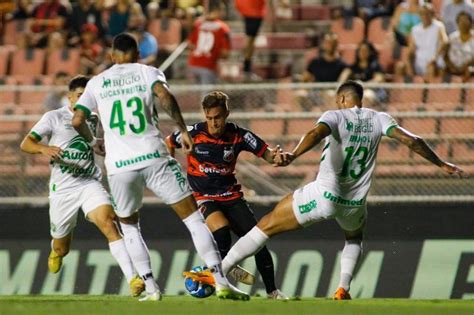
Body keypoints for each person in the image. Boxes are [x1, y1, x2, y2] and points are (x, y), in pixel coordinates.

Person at [189, 80, 464, 300]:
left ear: (342, 99)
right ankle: (343, 287)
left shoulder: (335, 115)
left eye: (338, 99)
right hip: (355, 204)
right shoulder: (380, 119)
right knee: (354, 238)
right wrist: (442, 163)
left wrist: (294, 154)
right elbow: (412, 140)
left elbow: (314, 134)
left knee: (265, 226)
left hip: (325, 195)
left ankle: (217, 274)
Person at [71, 33, 249, 302]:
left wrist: (93, 140)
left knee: (129, 226)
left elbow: (76, 120)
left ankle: (152, 289)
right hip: (153, 156)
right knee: (192, 219)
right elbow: (164, 96)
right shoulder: (147, 72)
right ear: (138, 53)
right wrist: (182, 129)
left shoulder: (96, 83)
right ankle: (221, 282)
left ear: (111, 56)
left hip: (119, 166)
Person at [19, 75, 146, 298]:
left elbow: (93, 142)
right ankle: (56, 250)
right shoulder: (54, 117)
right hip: (63, 190)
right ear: (69, 97)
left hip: (89, 183)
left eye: (88, 97)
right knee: (62, 248)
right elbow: (26, 143)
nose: (84, 100)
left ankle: (133, 278)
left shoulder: (93, 118)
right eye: (80, 96)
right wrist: (43, 149)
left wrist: (99, 146)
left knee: (108, 222)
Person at [165, 91, 287, 300]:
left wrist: (276, 157)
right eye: (210, 118)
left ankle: (272, 292)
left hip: (231, 196)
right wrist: (171, 164)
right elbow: (169, 140)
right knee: (221, 233)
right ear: (204, 115)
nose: (214, 123)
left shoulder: (239, 135)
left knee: (258, 242)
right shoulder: (193, 133)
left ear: (227, 114)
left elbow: (267, 154)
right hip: (202, 195)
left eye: (218, 118)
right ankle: (224, 274)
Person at [187, 4, 231, 85]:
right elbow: (225, 54)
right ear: (218, 11)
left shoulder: (198, 23)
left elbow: (190, 45)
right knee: (207, 96)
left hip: (193, 64)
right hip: (208, 65)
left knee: (196, 94)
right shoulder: (223, 27)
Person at [407, 3, 448, 77]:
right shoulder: (415, 29)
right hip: (419, 62)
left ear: (432, 14)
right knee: (401, 67)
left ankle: (430, 88)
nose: (425, 16)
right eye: (422, 13)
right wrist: (409, 63)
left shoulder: (439, 26)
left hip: (435, 62)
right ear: (419, 15)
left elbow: (445, 42)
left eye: (427, 13)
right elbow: (411, 50)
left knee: (431, 68)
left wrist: (435, 57)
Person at [235, 0, 265, 79]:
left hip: (251, 12)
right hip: (254, 13)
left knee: (251, 40)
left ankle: (246, 65)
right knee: (250, 40)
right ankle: (245, 65)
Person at [443, 11, 474, 80]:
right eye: (461, 21)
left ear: (471, 23)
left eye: (466, 21)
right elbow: (445, 55)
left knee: (469, 70)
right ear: (457, 23)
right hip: (453, 67)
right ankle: (443, 90)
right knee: (442, 70)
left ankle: (463, 90)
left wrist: (465, 66)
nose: (463, 23)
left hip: (469, 67)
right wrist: (451, 66)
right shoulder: (452, 37)